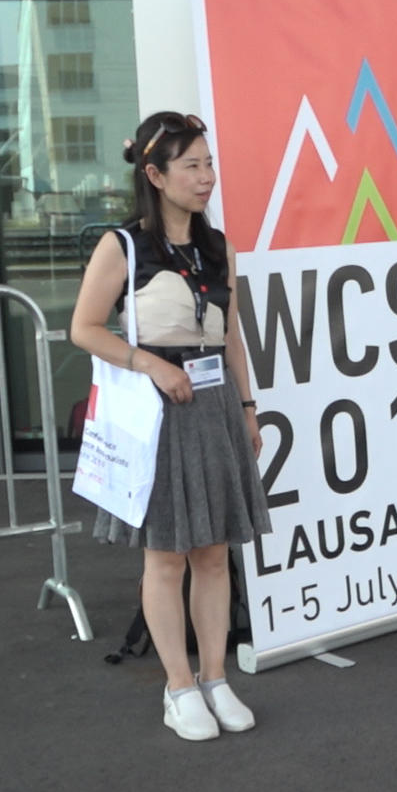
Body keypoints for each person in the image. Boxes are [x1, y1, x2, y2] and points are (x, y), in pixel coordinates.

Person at [70, 111, 273, 743]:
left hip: (213, 408)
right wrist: (151, 363)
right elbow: (85, 328)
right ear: (155, 175)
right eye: (192, 166)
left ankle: (215, 677)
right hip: (158, 413)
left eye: (209, 163)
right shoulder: (123, 246)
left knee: (214, 554)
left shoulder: (219, 248)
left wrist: (247, 407)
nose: (207, 177)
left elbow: (231, 335)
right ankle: (178, 686)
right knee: (167, 560)